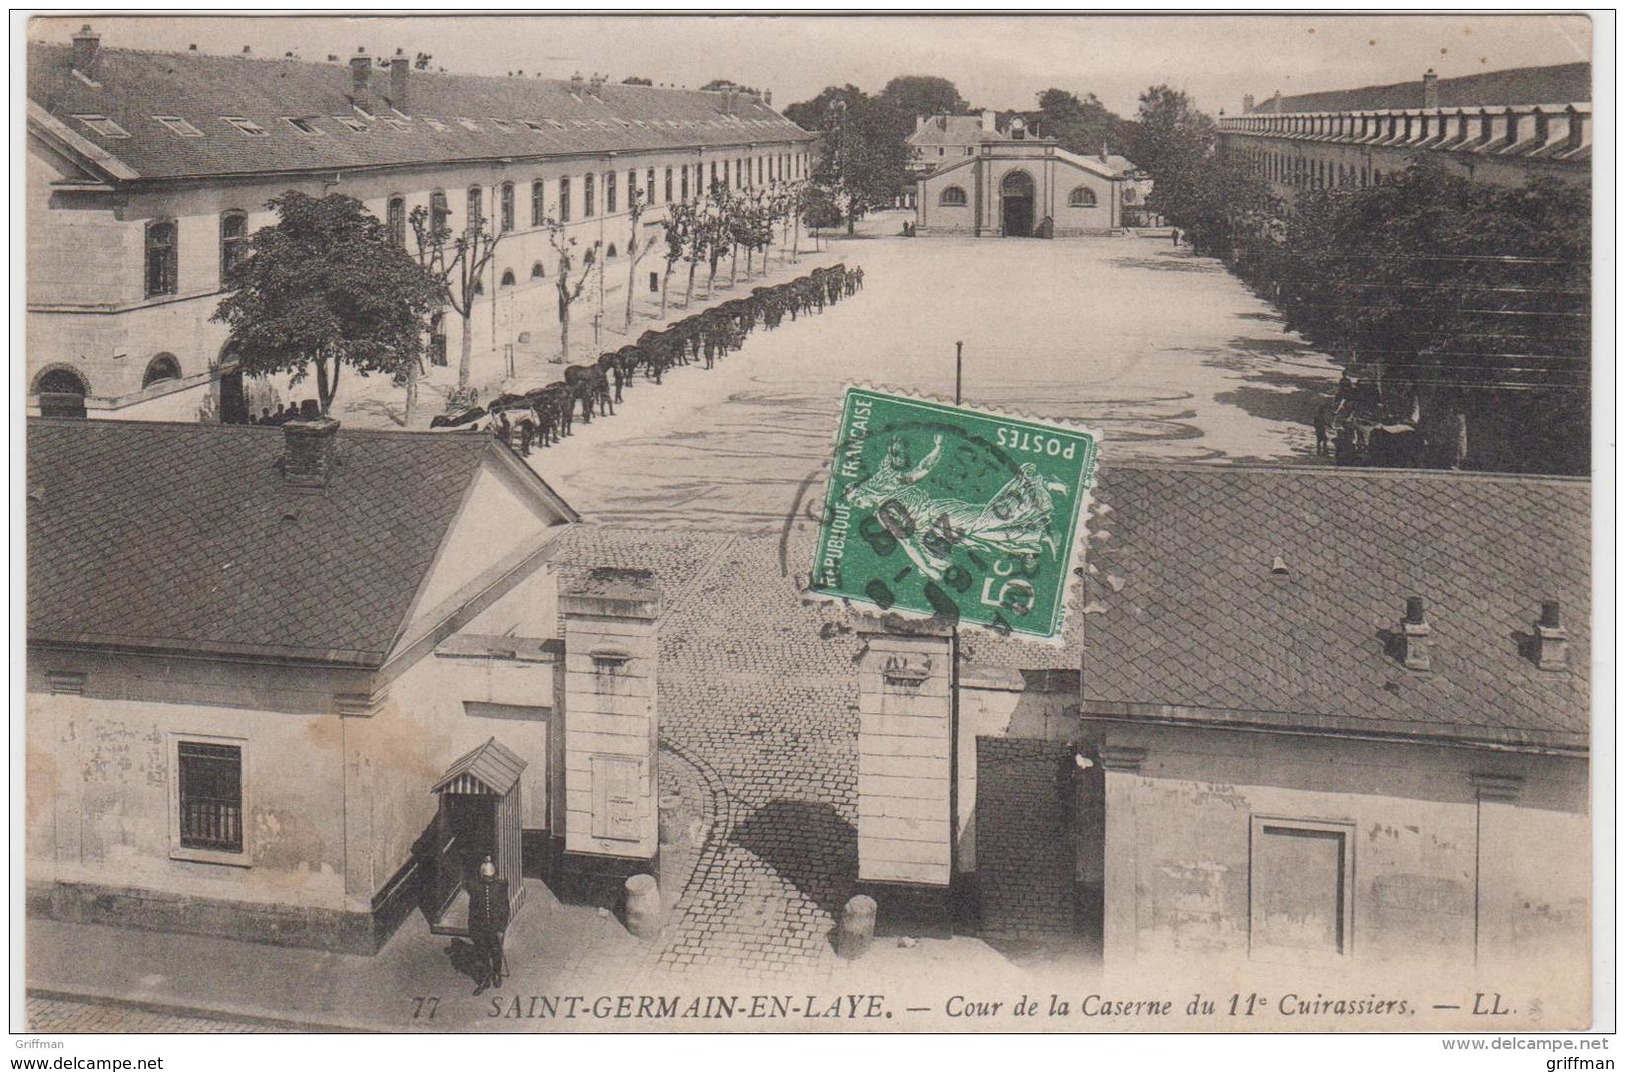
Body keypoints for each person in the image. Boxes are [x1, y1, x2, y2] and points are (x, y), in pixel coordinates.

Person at [467, 856, 509, 996]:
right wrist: (472, 928)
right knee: (482, 954)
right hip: (480, 928)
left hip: (495, 928)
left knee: (496, 952)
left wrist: (501, 929)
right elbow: (472, 909)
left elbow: (505, 909)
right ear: (481, 875)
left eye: (490, 877)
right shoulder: (475, 887)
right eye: (486, 877)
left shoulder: (500, 887)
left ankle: (496, 974)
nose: (489, 880)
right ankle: (485, 979)